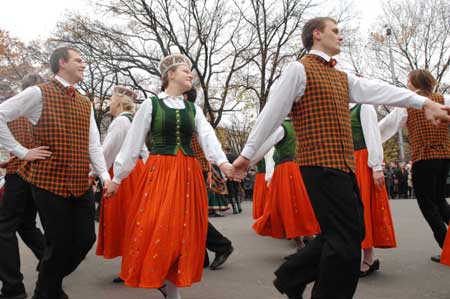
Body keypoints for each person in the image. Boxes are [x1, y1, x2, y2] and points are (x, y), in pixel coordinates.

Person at [232, 17, 450, 299]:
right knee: (345, 245)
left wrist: (424, 102)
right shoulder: (298, 70)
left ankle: (291, 276)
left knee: (352, 231)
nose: (341, 36)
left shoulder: (341, 76)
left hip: (343, 165)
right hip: (318, 165)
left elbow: (378, 89)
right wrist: (247, 155)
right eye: (335, 31)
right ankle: (314, 288)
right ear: (317, 34)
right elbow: (270, 115)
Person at [106, 54, 239, 299]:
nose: (191, 74)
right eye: (186, 70)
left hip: (188, 174)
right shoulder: (151, 105)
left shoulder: (193, 109)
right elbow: (133, 144)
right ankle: (165, 285)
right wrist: (117, 179)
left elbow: (208, 137)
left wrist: (223, 163)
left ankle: (172, 291)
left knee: (183, 233)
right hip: (160, 172)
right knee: (159, 227)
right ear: (170, 75)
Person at [0, 47, 112, 299]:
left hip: (80, 181)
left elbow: (93, 142)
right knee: (58, 242)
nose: (84, 64)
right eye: (78, 60)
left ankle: (47, 286)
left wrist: (104, 176)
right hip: (47, 180)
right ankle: (46, 292)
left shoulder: (85, 102)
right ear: (62, 63)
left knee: (85, 239)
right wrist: (21, 151)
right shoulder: (38, 92)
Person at [379, 69, 450, 263]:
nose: (407, 84)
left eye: (408, 81)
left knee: (428, 205)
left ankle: (447, 247)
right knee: (440, 201)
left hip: (424, 158)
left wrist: (370, 139)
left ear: (413, 83)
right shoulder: (444, 99)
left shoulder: (408, 103)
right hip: (444, 156)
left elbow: (386, 126)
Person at [95, 86, 148, 283]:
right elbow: (144, 151)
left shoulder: (119, 122)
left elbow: (106, 152)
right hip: (137, 171)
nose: (109, 102)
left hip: (122, 175)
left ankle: (131, 267)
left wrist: (92, 172)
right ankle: (135, 264)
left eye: (110, 99)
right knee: (135, 220)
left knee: (123, 220)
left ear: (117, 101)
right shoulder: (133, 120)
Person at [0, 74, 46, 299]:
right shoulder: (46, 110)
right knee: (26, 224)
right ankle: (50, 266)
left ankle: (12, 287)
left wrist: (18, 154)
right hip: (39, 176)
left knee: (4, 229)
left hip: (18, 173)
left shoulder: (13, 111)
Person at [185, 87, 234, 271]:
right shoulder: (185, 113)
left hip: (193, 169)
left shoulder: (189, 114)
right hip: (193, 168)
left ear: (184, 96)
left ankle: (221, 245)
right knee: (189, 214)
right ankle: (203, 255)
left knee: (189, 213)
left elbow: (207, 141)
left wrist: (220, 163)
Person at [251, 119, 320, 249]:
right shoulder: (301, 125)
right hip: (300, 167)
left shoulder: (281, 128)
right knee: (300, 203)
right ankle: (308, 239)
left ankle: (302, 243)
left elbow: (263, 149)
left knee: (287, 205)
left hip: (286, 170)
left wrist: (245, 164)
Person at [349, 103, 397, 277]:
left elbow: (373, 136)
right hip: (349, 162)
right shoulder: (341, 107)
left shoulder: (364, 107)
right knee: (351, 210)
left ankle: (369, 257)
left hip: (363, 161)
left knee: (363, 208)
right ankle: (359, 255)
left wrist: (376, 167)